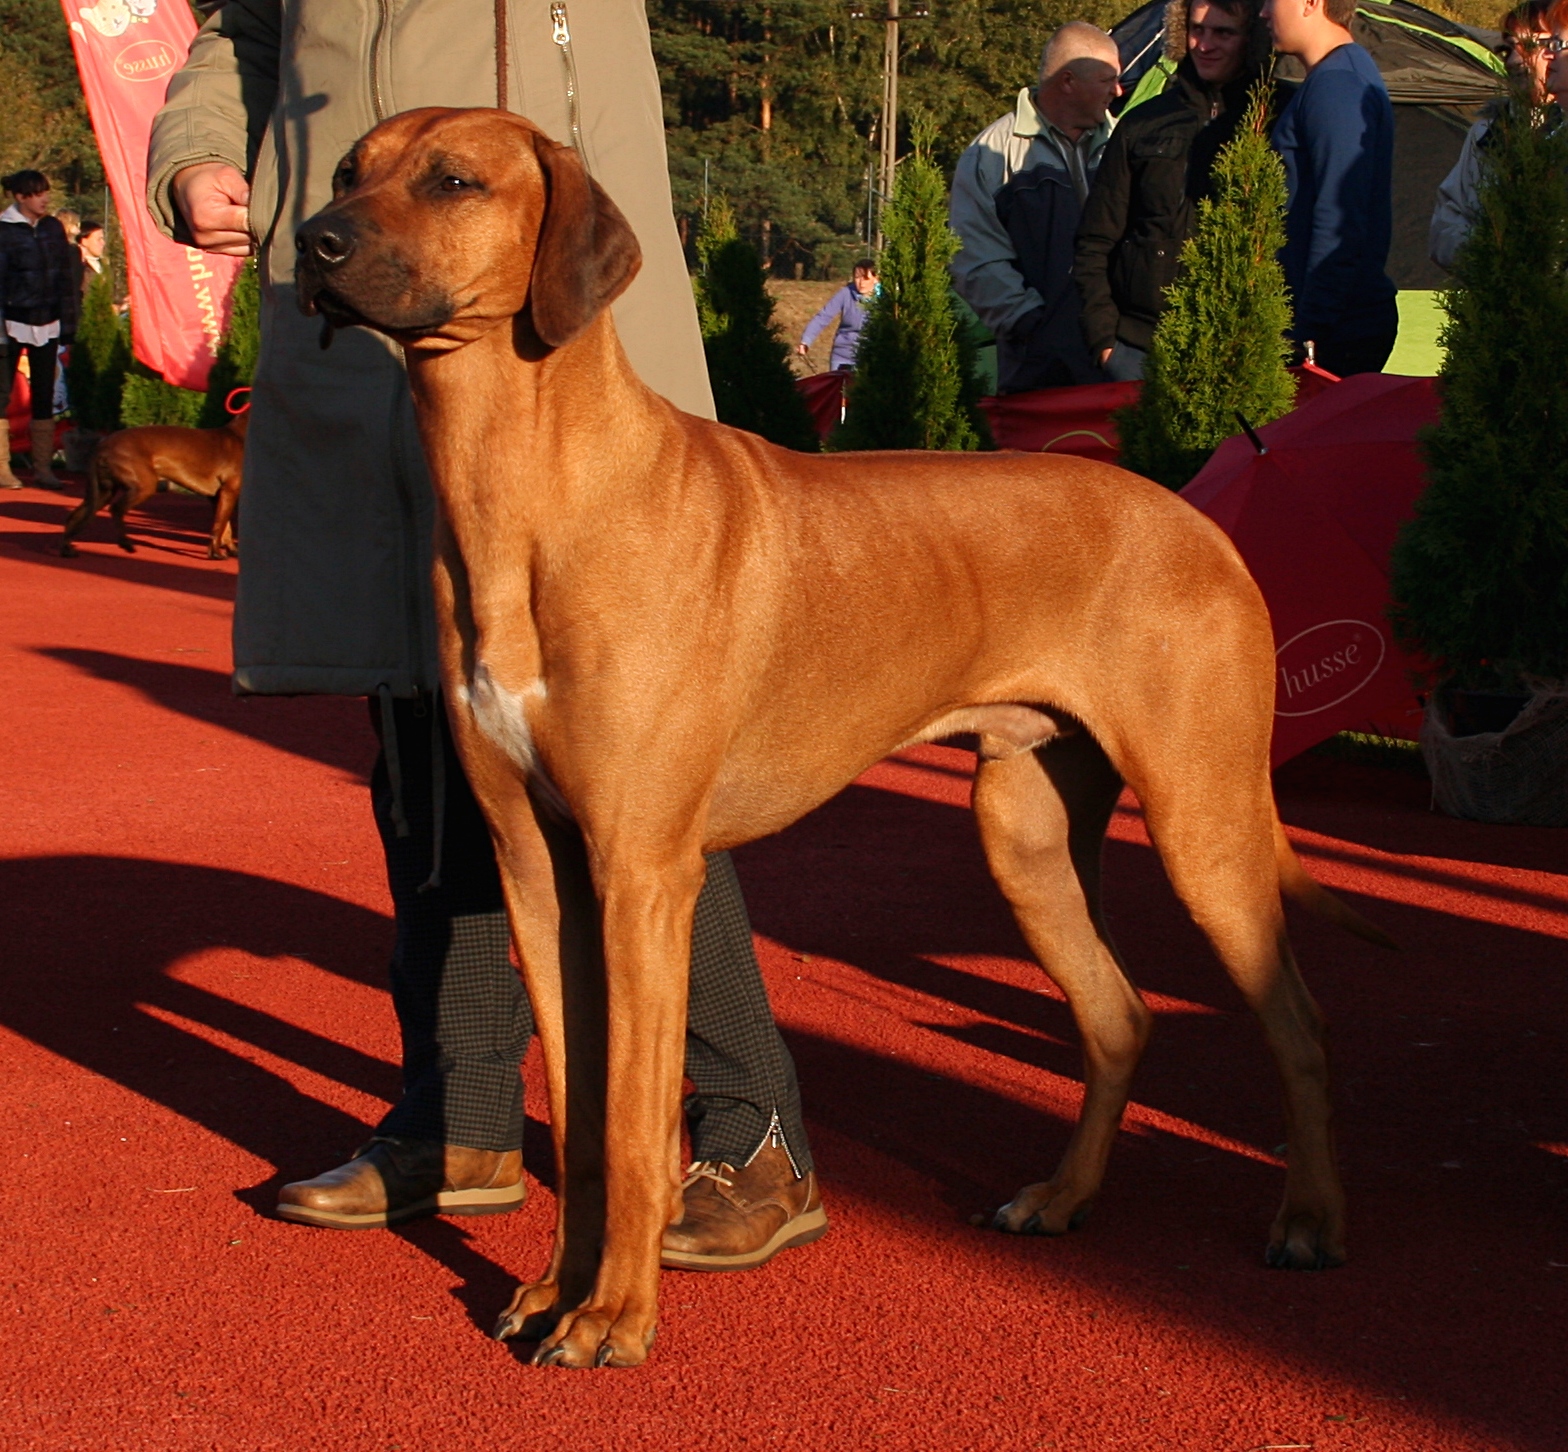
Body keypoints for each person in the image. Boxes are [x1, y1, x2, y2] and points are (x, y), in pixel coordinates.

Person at [148, 0, 825, 1268]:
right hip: (358, 302)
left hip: (543, 296)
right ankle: (457, 1118)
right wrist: (194, 151)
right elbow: (241, 26)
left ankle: (750, 1132)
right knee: (420, 717)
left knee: (641, 759)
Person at [1076, 0, 1271, 382]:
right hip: (1139, 348)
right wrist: (1104, 340)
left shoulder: (1278, 119)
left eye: (1223, 32)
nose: (1205, 44)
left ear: (1251, 38)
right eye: (1196, 30)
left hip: (1241, 349)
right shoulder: (1143, 122)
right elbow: (1095, 239)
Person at [949, 22, 1123, 393]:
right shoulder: (990, 154)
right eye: (1108, 79)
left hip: (1119, 358)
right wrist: (1031, 324)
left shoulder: (1126, 142)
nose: (1118, 90)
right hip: (1035, 370)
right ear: (1068, 81)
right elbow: (974, 255)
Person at [1261, 0, 1398, 377]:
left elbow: (1339, 216)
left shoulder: (1338, 84)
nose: (1263, 13)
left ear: (1310, 3)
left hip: (1334, 330)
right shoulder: (1338, 76)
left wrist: (1308, 332)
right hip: (1334, 323)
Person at [1430, 0, 1554, 272]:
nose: (1514, 60)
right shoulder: (1488, 134)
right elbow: (1444, 226)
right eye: (1508, 49)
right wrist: (1492, 250)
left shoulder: (1560, 137)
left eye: (1531, 46)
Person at [0, 169, 76, 490]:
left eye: (46, 192)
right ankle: (3, 468)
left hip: (49, 321)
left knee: (44, 395)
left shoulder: (53, 227)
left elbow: (65, 280)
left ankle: (44, 468)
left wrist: (69, 323)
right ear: (20, 197)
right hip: (8, 322)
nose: (45, 198)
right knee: (1, 393)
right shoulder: (3, 230)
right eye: (37, 193)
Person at [796, 260, 878, 370]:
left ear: (876, 278)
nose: (861, 283)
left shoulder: (885, 298)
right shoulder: (845, 293)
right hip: (842, 354)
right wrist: (805, 341)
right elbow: (823, 316)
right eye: (857, 278)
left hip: (870, 356)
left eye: (866, 278)